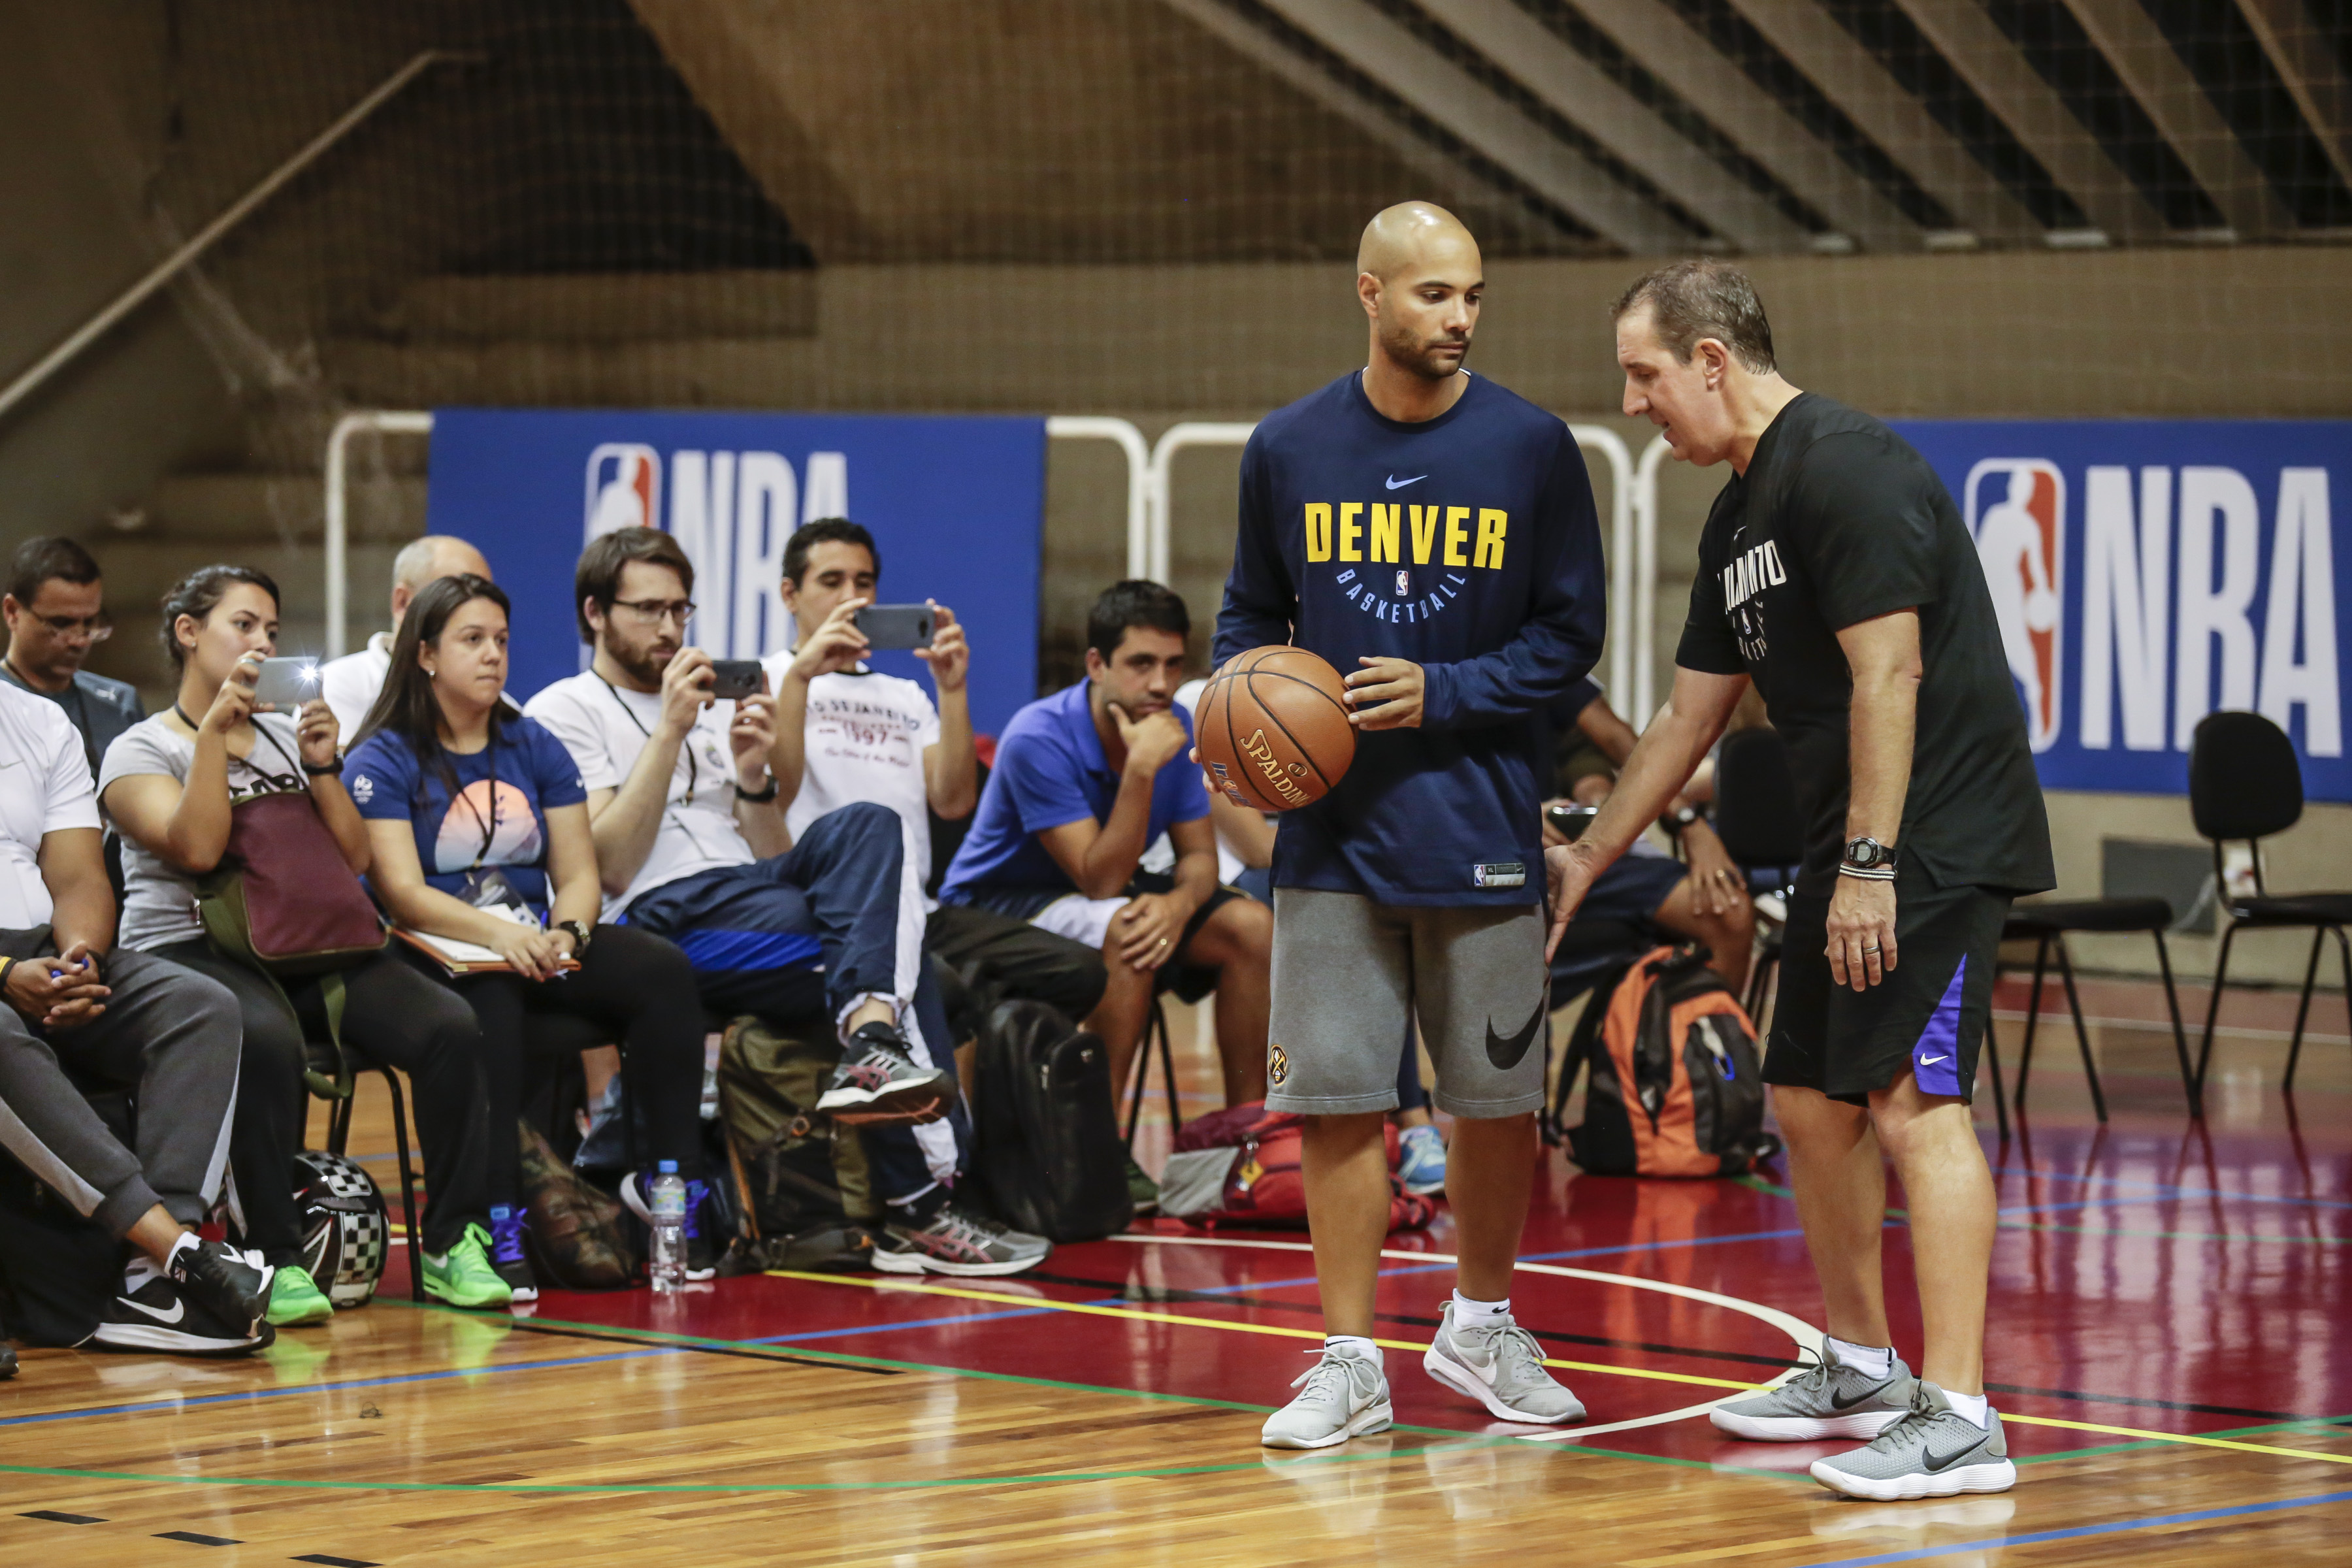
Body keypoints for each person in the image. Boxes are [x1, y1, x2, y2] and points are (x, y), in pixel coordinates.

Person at [1551, 260, 2051, 1500]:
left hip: (1929, 836)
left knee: (1907, 1104)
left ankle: (1962, 1416)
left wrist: (1871, 870)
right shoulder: (1736, 518)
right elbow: (1683, 722)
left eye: (1645, 374)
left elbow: (1893, 677)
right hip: (1858, 844)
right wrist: (1588, 857)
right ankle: (1862, 1366)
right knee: (1812, 1105)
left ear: (1711, 362)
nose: (1634, 404)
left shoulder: (1849, 466)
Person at [1215, 202, 1605, 1448]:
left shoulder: (1535, 447)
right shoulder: (1284, 448)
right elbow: (1244, 625)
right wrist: (1245, 739)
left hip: (1483, 820)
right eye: (1436, 293)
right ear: (1370, 294)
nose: (1462, 316)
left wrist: (1448, 692)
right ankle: (1346, 1360)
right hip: (1329, 836)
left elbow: (1570, 640)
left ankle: (1482, 1323)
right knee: (1337, 1102)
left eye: (1475, 295)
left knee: (1494, 1102)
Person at [524, 527, 1047, 1276]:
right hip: (663, 915)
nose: (670, 629)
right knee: (893, 946)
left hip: (747, 891)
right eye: (648, 610)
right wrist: (670, 730)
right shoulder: (566, 710)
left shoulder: (711, 705)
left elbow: (769, 849)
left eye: (681, 610)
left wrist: (751, 778)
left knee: (873, 827)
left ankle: (873, 1052)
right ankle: (919, 1204)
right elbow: (608, 867)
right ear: (596, 613)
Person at [101, 565, 514, 1320]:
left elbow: (352, 860)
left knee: (450, 1026)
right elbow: (195, 848)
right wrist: (217, 744)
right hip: (193, 951)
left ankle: (456, 1240)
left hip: (309, 943)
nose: (261, 643)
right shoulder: (140, 749)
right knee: (260, 1038)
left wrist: (323, 764)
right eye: (243, 625)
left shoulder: (287, 738)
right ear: (189, 634)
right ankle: (277, 1256)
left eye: (271, 631)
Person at [345, 574, 712, 1299]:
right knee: (497, 1004)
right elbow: (402, 894)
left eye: (502, 642)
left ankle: (673, 1201)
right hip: (438, 951)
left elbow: (579, 874)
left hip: (535, 943)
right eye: (473, 641)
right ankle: (499, 1227)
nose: (493, 657)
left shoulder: (532, 743)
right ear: (425, 655)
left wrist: (568, 935)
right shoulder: (383, 757)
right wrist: (501, 938)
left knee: (663, 972)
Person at [0, 679, 271, 1356]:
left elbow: (81, 878)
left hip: (44, 948)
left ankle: (151, 1285)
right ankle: (174, 1248)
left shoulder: (38, 721)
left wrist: (79, 959)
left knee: (199, 1006)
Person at [938, 581, 1274, 1113]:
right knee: (1130, 927)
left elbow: (1200, 858)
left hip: (1098, 896)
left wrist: (1177, 905)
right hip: (1000, 905)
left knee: (1252, 928)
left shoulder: (1179, 725)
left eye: (1172, 664)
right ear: (1096, 664)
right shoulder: (1038, 736)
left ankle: (1245, 1134)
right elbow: (1099, 881)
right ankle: (1100, 1146)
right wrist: (1140, 770)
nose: (1160, 683)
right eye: (1141, 664)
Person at [1542, 676, 1756, 994]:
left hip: (1574, 849)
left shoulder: (1543, 652)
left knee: (1728, 908)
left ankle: (1713, 1041)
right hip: (1493, 854)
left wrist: (1688, 823)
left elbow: (1598, 741)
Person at [1, 536, 144, 789]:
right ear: (12, 612)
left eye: (90, 623)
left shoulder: (120, 705)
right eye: (60, 624)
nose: (79, 641)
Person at [319, 535, 493, 740]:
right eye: (457, 596)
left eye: (485, 597)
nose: (477, 611)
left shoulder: (501, 706)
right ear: (403, 603)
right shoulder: (338, 685)